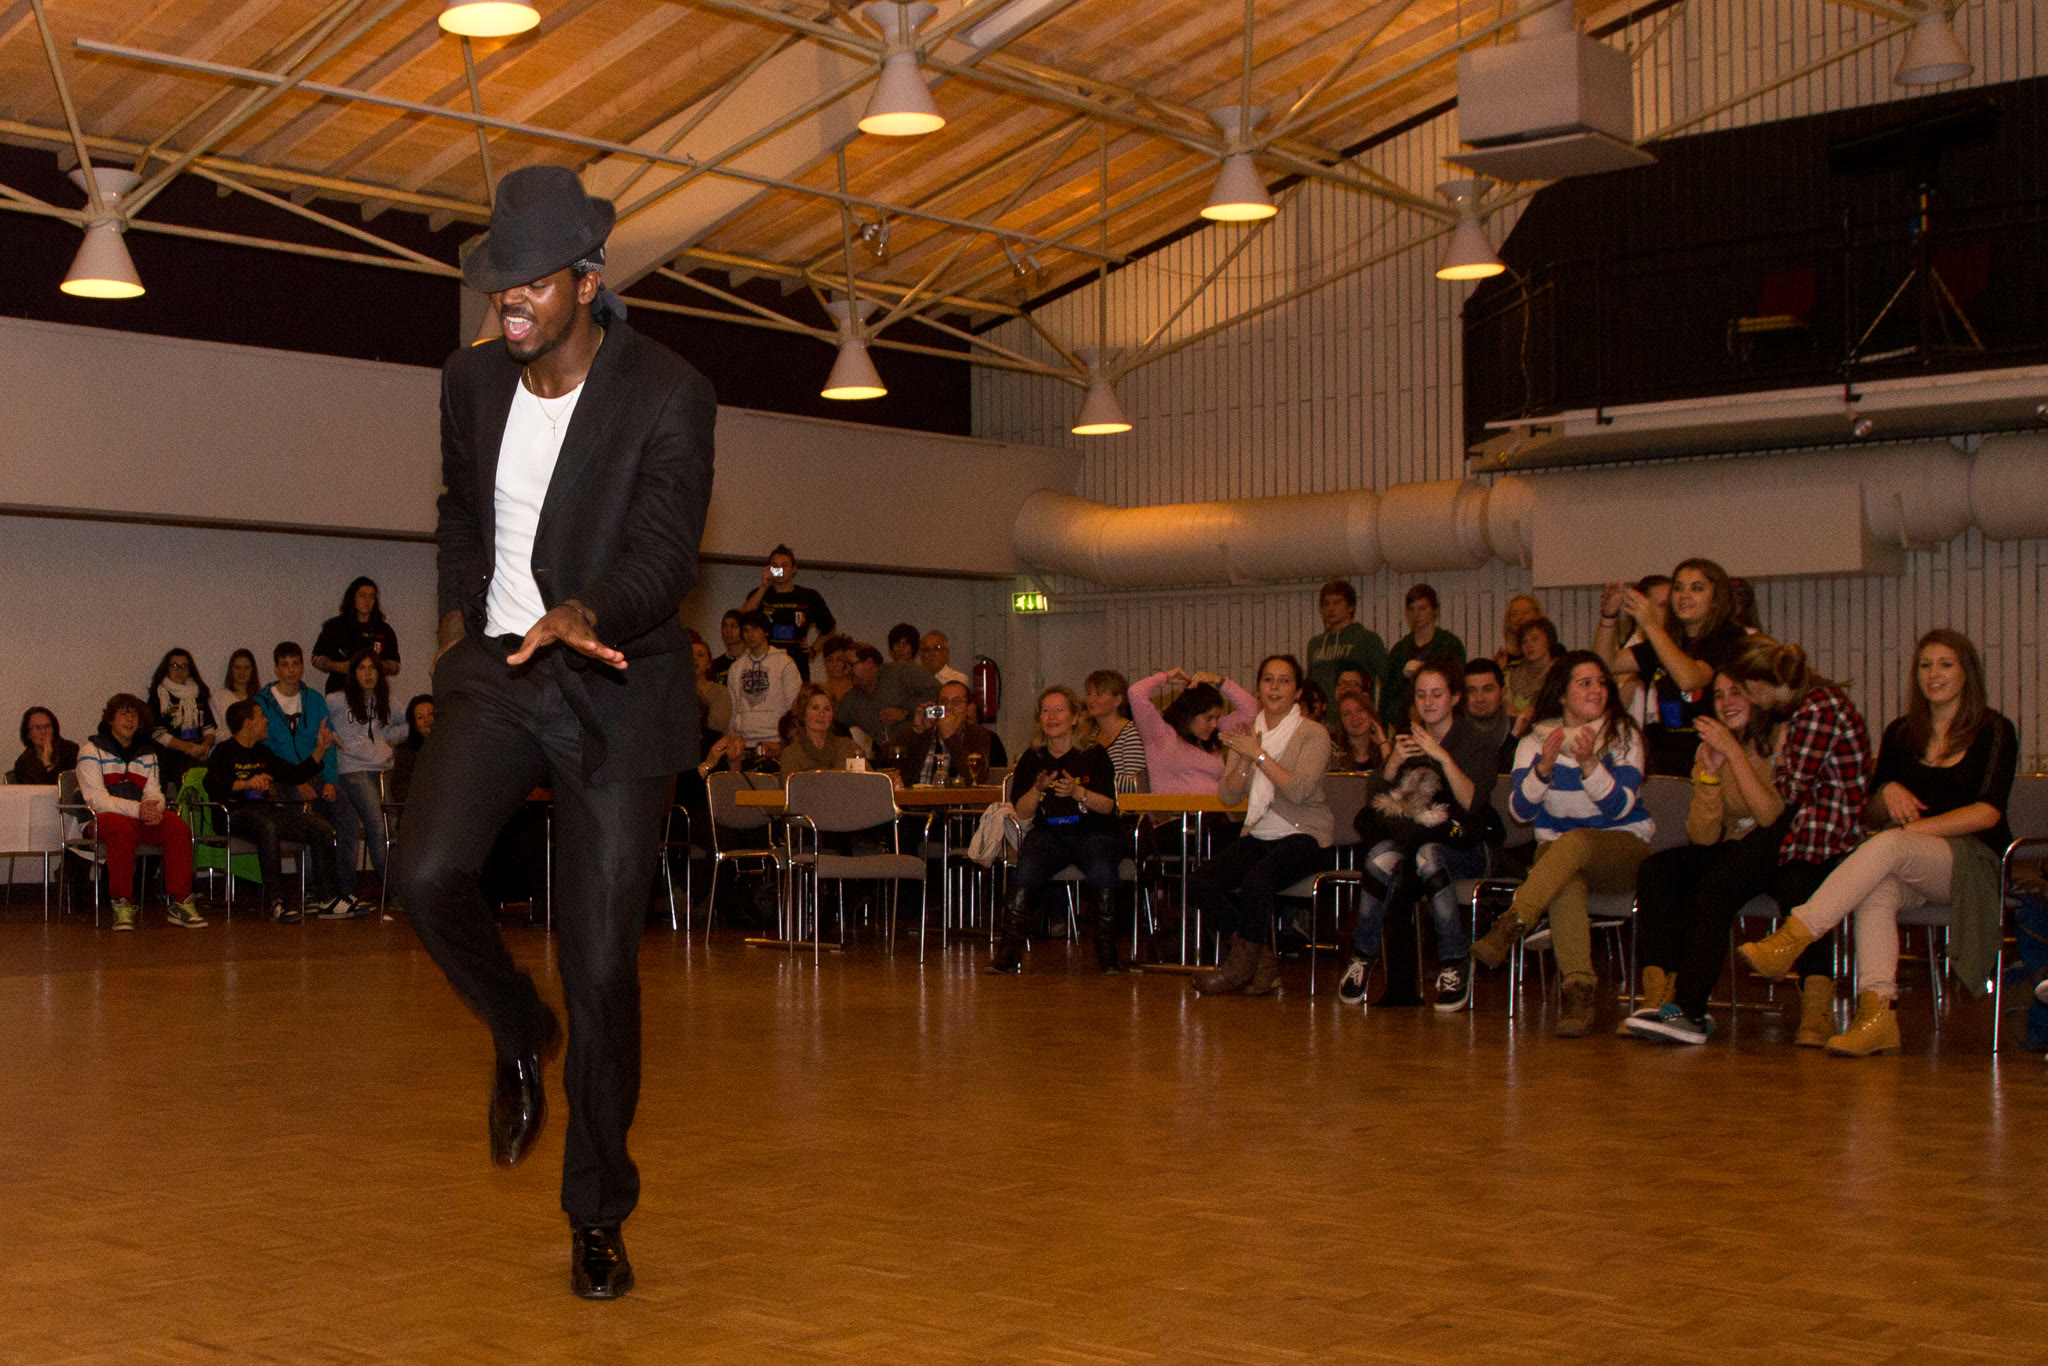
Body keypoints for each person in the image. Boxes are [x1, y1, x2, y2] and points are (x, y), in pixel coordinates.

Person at [391, 165, 716, 1302]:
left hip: (616, 687)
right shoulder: (471, 379)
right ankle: (518, 1025)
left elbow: (667, 550)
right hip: (501, 668)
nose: (509, 299)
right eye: (499, 281)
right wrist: (453, 631)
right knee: (423, 871)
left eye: (530, 281)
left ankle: (598, 1211)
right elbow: (457, 508)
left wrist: (589, 609)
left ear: (586, 279)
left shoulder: (667, 391)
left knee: (601, 965)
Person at [1738, 630, 2016, 1056]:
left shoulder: (1993, 729)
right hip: (1908, 860)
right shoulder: (1902, 732)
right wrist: (1886, 794)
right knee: (1878, 885)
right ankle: (1878, 1014)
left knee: (1888, 847)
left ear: (1967, 673)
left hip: (1974, 859)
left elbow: (1987, 813)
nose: (1934, 674)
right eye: (1925, 665)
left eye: (1946, 664)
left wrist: (1912, 832)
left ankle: (1795, 935)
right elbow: (1868, 813)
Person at [1472, 652, 1652, 1037]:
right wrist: (1543, 770)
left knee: (1571, 844)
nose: (1597, 690)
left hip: (1620, 850)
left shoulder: (1624, 735)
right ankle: (1578, 993)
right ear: (1562, 695)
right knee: (1565, 880)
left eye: (1601, 682)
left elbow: (1620, 808)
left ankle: (1514, 920)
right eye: (1585, 683)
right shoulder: (1536, 740)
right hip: (1559, 857)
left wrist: (1589, 764)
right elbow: (1520, 811)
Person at [1336, 659, 1501, 1011]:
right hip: (1415, 840)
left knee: (1428, 856)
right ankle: (1363, 954)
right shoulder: (1409, 740)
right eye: (1422, 695)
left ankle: (1454, 961)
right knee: (1379, 856)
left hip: (1467, 845)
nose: (1428, 702)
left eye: (1437, 694)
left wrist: (1442, 758)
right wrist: (1393, 763)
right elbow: (1376, 799)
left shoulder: (1477, 741)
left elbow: (1472, 802)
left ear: (1455, 698)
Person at [1189, 655, 1334, 997]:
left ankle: (1239, 969)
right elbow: (1228, 796)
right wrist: (1242, 760)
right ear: (1258, 689)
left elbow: (1298, 790)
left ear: (1298, 692)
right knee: (1200, 882)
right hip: (1259, 833)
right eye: (1268, 680)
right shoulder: (1248, 733)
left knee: (1258, 879)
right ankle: (1262, 960)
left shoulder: (1313, 734)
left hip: (1305, 834)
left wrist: (1257, 754)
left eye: (1284, 681)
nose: (1275, 687)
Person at [985, 685, 1123, 975]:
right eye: (1046, 711)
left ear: (1074, 718)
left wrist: (1078, 792)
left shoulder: (1094, 754)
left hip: (1092, 833)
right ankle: (1007, 955)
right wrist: (1037, 789)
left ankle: (1108, 956)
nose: (1051, 717)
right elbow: (1022, 812)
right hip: (1049, 835)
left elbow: (1108, 806)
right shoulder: (1032, 757)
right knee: (1024, 874)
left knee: (1103, 872)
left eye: (1059, 710)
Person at [1595, 558, 1746, 775]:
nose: (1684, 595)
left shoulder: (1729, 637)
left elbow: (1689, 680)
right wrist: (1609, 616)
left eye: (1697, 588)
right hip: (1667, 756)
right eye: (1678, 588)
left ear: (1715, 599)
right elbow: (1607, 663)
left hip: (1714, 756)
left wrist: (1651, 625)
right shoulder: (1669, 640)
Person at [206, 699, 347, 923]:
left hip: (263, 812)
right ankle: (277, 902)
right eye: (261, 717)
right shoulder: (223, 752)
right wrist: (246, 783)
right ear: (248, 723)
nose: (266, 721)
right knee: (267, 826)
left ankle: (328, 898)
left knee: (320, 827)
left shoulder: (262, 752)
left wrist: (320, 748)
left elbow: (296, 774)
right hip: (233, 815)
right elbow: (212, 785)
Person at [76, 693, 204, 930]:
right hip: (99, 819)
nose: (129, 720)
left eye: (134, 715)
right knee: (122, 828)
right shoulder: (90, 750)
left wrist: (154, 808)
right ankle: (122, 903)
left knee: (176, 825)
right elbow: (97, 800)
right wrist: (139, 810)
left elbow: (154, 791)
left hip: (139, 817)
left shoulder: (148, 753)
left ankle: (181, 902)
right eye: (123, 714)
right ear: (110, 719)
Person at [325, 649, 409, 902]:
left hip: (383, 770)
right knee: (378, 827)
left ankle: (397, 888)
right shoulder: (337, 700)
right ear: (353, 673)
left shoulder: (388, 700)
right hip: (354, 770)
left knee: (393, 830)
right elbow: (318, 721)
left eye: (372, 668)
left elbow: (408, 725)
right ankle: (394, 893)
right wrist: (334, 738)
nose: (368, 673)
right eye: (362, 668)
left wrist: (386, 737)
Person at [1128, 668, 1258, 795]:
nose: (1214, 724)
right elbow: (1135, 692)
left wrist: (1219, 681)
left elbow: (1252, 711)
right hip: (1175, 809)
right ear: (1190, 714)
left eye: (1217, 718)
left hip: (1216, 808)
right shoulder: (1158, 732)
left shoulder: (1215, 733)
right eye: (1208, 718)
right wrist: (1165, 677)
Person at [257, 643, 340, 812]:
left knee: (346, 815)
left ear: (302, 667)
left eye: (295, 663)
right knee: (306, 817)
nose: (291, 670)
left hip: (317, 773)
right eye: (285, 665)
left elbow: (327, 742)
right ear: (276, 670)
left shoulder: (315, 699)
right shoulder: (262, 703)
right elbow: (266, 748)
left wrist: (331, 781)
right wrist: (297, 780)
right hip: (282, 778)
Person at [740, 545, 835, 683]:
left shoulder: (808, 596)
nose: (780, 570)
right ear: (769, 569)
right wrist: (764, 587)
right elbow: (742, 617)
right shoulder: (760, 594)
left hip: (797, 666)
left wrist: (813, 650)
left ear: (793, 569)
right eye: (775, 566)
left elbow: (829, 627)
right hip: (764, 666)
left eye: (784, 565)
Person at [1381, 583, 1465, 731]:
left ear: (1435, 610)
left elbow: (1459, 687)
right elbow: (1387, 695)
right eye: (1411, 609)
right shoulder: (1400, 651)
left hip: (1443, 725)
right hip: (1406, 726)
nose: (1416, 614)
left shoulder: (1449, 645)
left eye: (1422, 608)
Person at [726, 609, 801, 758]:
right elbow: (733, 707)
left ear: (765, 631)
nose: (750, 634)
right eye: (746, 630)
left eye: (755, 629)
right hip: (744, 743)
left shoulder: (785, 663)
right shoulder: (736, 667)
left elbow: (794, 707)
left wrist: (786, 742)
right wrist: (732, 738)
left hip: (776, 741)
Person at [312, 576, 403, 692]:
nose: (367, 600)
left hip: (375, 692)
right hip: (340, 691)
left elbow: (396, 666)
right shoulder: (334, 626)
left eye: (372, 596)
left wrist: (377, 665)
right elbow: (316, 658)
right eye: (362, 595)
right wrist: (337, 666)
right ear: (352, 598)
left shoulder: (384, 630)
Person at [1304, 580, 1388, 704]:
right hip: (1322, 714)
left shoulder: (1367, 639)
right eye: (1326, 604)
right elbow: (1310, 686)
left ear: (1350, 607)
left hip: (1354, 713)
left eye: (1337, 603)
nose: (1331, 608)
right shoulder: (1315, 644)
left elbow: (1388, 680)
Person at [896, 679, 994, 785]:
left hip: (958, 795)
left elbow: (977, 779)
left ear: (969, 709)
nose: (948, 707)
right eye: (943, 701)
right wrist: (917, 732)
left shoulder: (978, 734)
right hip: (918, 794)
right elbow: (895, 765)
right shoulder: (923, 730)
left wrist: (950, 737)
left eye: (956, 702)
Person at [146, 647, 219, 786]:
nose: (179, 671)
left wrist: (205, 747)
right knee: (187, 767)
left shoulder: (198, 693)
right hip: (171, 753)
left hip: (198, 750)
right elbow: (156, 733)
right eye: (174, 666)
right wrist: (188, 748)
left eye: (184, 666)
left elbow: (209, 728)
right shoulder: (159, 695)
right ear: (166, 669)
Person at [1082, 669, 1146, 789]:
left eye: (1099, 694)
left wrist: (1096, 776)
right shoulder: (1091, 738)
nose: (1091, 700)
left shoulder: (1131, 734)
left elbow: (1135, 785)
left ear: (1117, 700)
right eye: (1089, 694)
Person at [778, 684, 861, 775]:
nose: (821, 714)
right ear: (803, 713)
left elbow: (866, 780)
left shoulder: (848, 747)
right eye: (815, 708)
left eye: (827, 709)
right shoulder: (791, 754)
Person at [877, 623, 940, 735]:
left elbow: (939, 711)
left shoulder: (922, 675)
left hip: (918, 734)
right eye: (897, 644)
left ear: (913, 647)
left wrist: (907, 713)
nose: (901, 649)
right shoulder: (884, 673)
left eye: (905, 644)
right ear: (891, 648)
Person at [1504, 617, 1561, 733]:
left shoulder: (1561, 672)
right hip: (1517, 731)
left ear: (1548, 641)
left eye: (1535, 639)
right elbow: (1506, 706)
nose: (1529, 645)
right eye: (1524, 641)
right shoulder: (1513, 674)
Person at [835, 643, 889, 751]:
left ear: (869, 663)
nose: (847, 672)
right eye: (845, 667)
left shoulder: (896, 683)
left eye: (851, 665)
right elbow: (832, 723)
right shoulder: (850, 701)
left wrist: (906, 713)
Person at [1460, 658, 1512, 768]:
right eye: (1471, 691)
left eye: (1488, 689)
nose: (1480, 698)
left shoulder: (1519, 731)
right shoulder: (1451, 733)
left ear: (1503, 693)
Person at [688, 628, 732, 748]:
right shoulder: (676, 691)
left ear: (709, 664)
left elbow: (718, 723)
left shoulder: (720, 691)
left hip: (712, 747)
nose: (694, 658)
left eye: (700, 655)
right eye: (690, 655)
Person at [12, 706, 78, 785]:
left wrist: (47, 763)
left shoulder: (70, 750)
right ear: (28, 734)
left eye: (47, 726)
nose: (43, 732)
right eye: (37, 728)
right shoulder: (23, 763)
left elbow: (65, 787)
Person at [1327, 692, 1389, 774]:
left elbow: (1393, 775)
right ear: (1341, 721)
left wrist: (1383, 742)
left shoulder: (1386, 749)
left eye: (1360, 710)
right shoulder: (1332, 752)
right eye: (1347, 714)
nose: (1355, 717)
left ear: (1370, 715)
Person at [390, 695, 434, 805]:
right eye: (420, 717)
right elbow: (400, 789)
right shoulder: (406, 752)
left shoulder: (452, 746)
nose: (427, 720)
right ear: (414, 724)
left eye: (431, 714)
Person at [1494, 594, 1544, 671]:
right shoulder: (1503, 659)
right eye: (1514, 614)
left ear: (1538, 616)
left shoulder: (1547, 655)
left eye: (1526, 612)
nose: (1519, 617)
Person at [218, 648, 263, 721]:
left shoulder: (262, 698)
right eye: (237, 667)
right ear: (231, 669)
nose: (242, 672)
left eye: (246, 668)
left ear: (253, 670)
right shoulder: (219, 698)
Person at [815, 635, 856, 706]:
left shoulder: (858, 690)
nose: (834, 664)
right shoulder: (817, 691)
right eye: (829, 660)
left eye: (840, 659)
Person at [708, 610, 743, 684]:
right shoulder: (715, 665)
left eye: (734, 626)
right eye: (725, 626)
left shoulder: (752, 661)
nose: (728, 630)